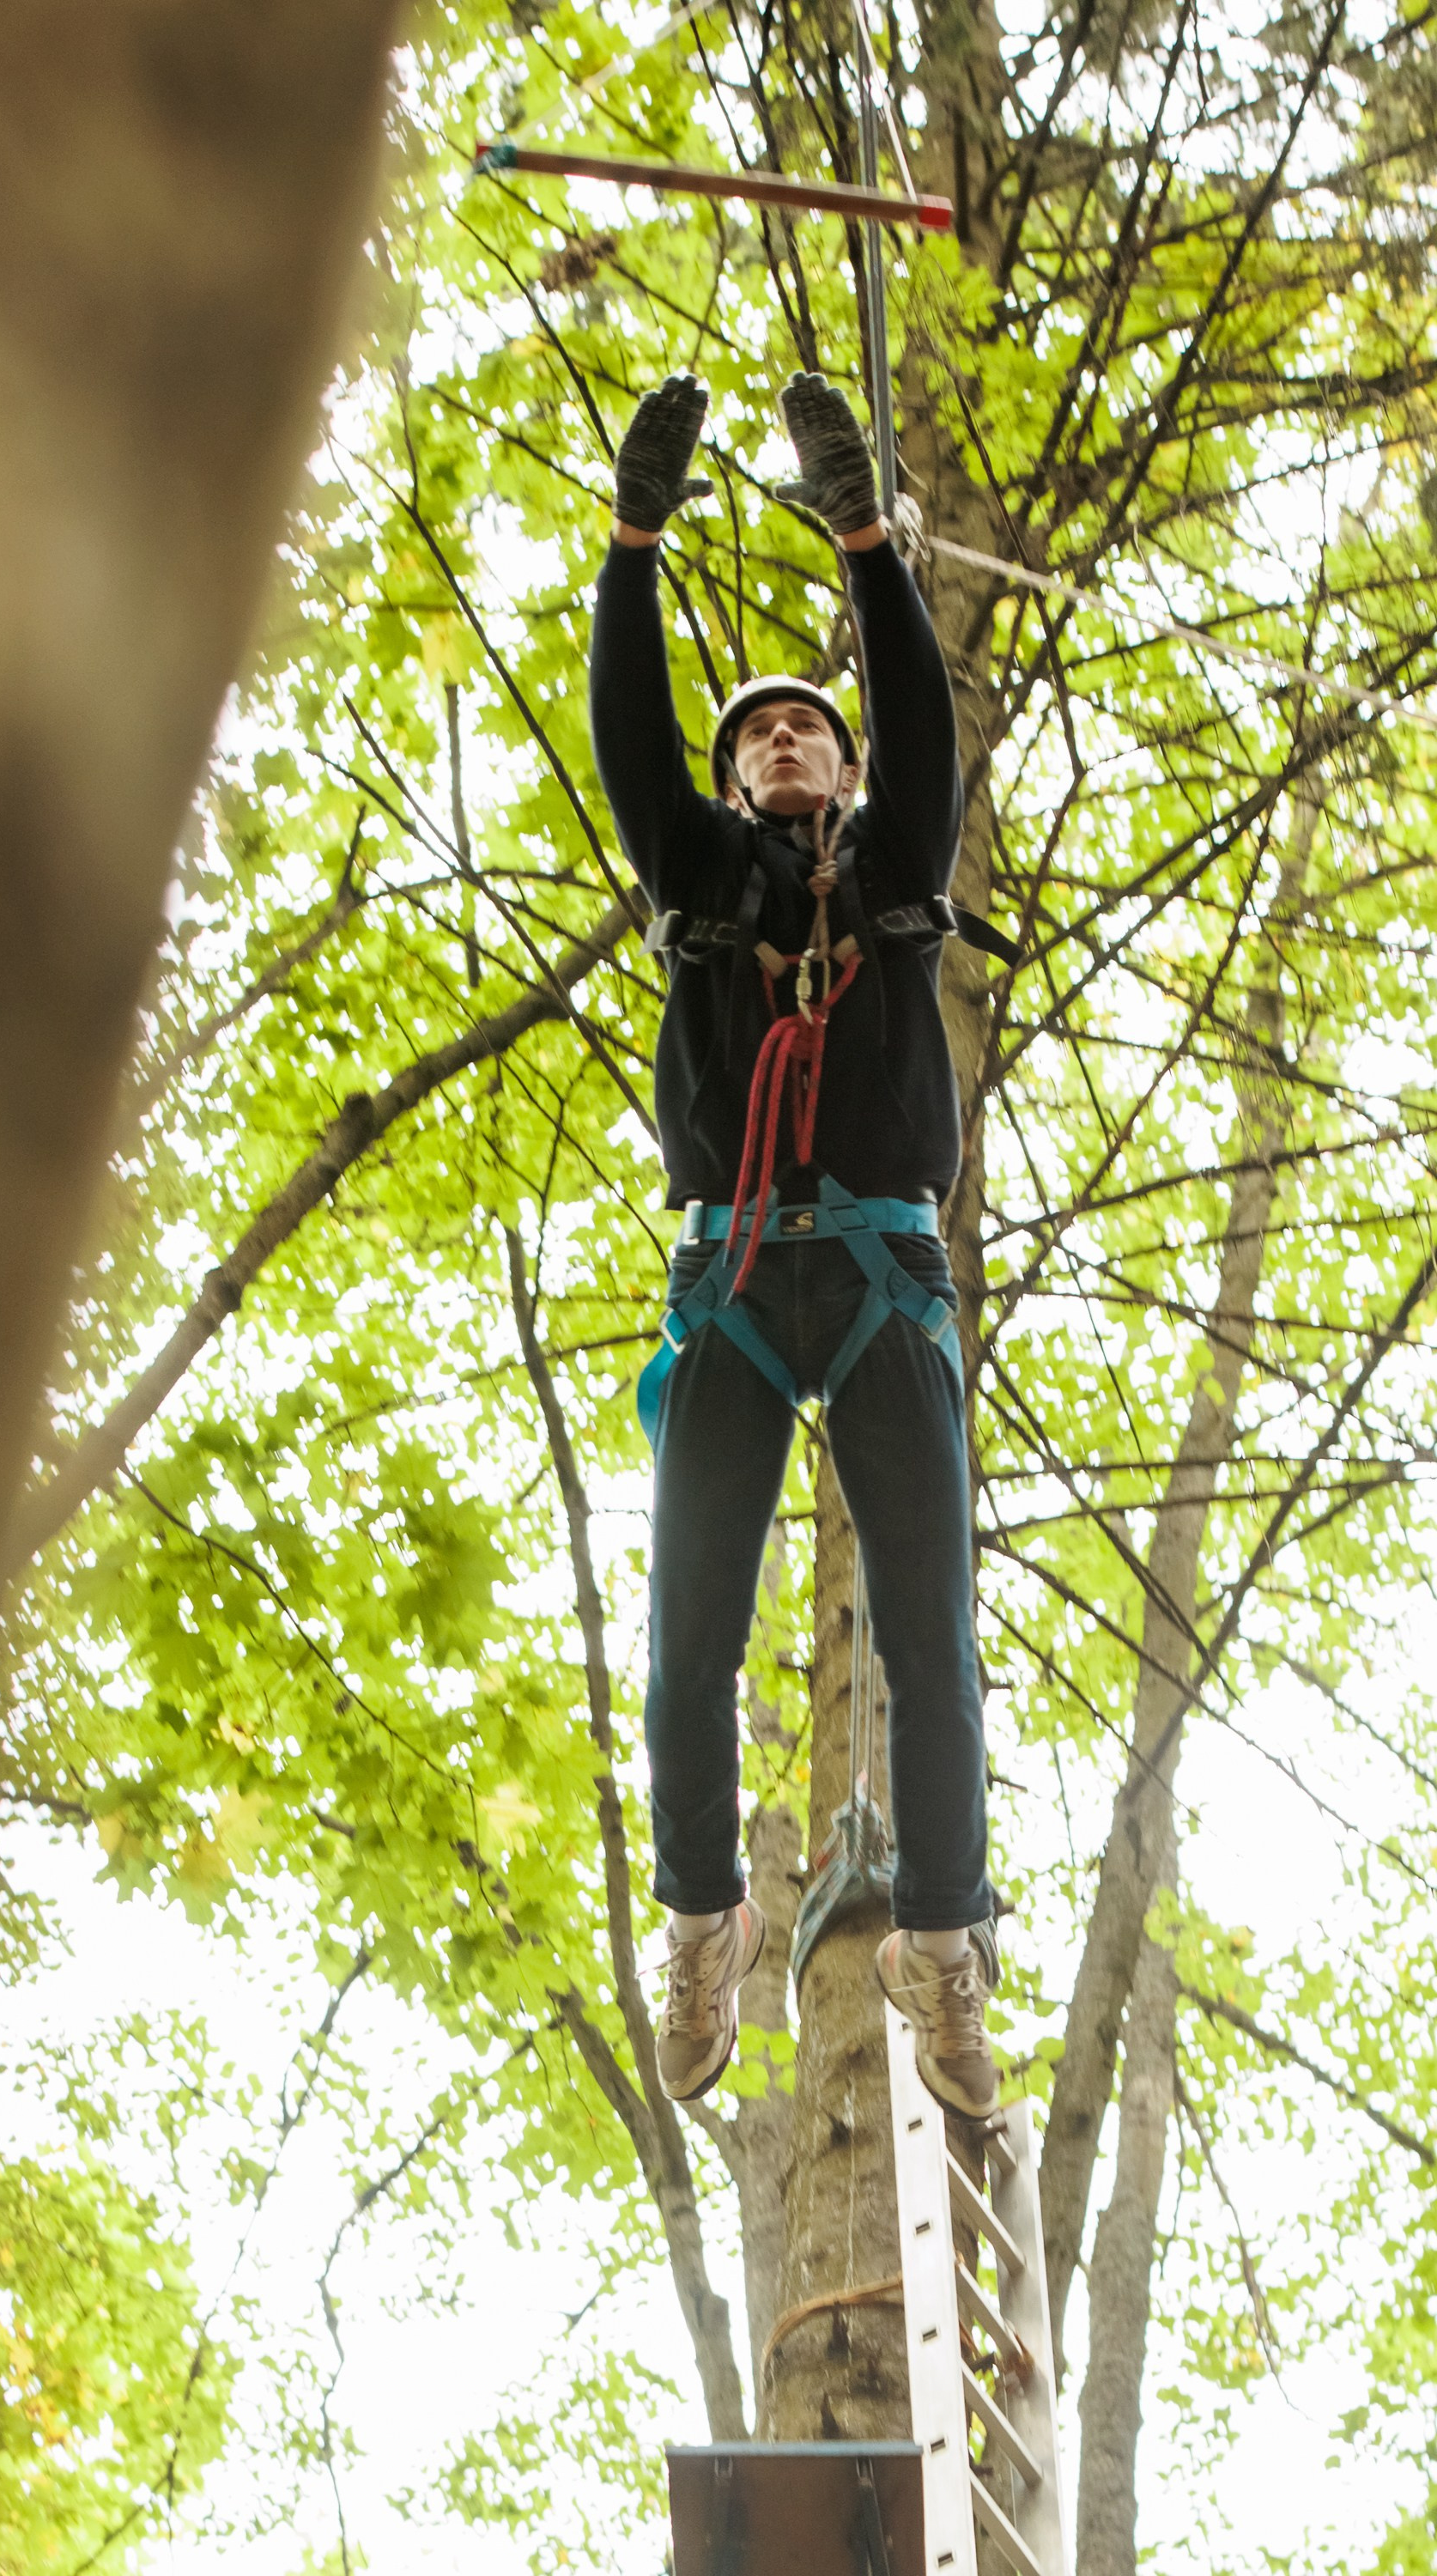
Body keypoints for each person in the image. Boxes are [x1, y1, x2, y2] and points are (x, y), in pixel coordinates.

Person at [589, 370, 999, 2119]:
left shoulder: (898, 862)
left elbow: (916, 714)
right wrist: (631, 548)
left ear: (838, 766)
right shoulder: (698, 876)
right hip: (741, 1286)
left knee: (933, 1628)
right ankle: (704, 1915)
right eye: (753, 731)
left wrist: (864, 536)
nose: (779, 740)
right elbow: (628, 737)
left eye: (802, 731)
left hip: (888, 1277)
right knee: (688, 1632)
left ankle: (942, 1943)